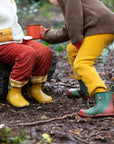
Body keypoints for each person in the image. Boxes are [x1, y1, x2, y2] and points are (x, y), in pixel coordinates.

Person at [40, 0, 114, 117]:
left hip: (100, 27)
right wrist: (46, 35)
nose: (50, 2)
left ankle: (103, 101)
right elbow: (69, 27)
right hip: (98, 26)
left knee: (82, 63)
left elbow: (74, 19)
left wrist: (77, 39)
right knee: (72, 49)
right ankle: (86, 89)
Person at [0, 0, 52, 108]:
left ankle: (35, 89)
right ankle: (14, 92)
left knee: (43, 51)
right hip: (2, 42)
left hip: (17, 38)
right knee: (27, 53)